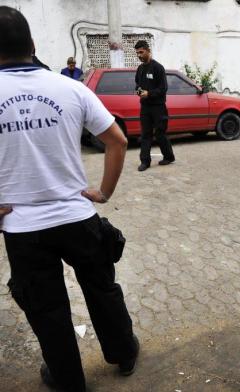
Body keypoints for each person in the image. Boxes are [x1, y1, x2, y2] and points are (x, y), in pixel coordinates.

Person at [0, 6, 139, 392]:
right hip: (78, 216)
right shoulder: (71, 87)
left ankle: (68, 379)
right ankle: (124, 353)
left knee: (47, 309)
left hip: (22, 227)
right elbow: (118, 140)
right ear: (32, 45)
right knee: (102, 288)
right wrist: (104, 192)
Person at [134, 40, 175, 172]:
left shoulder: (157, 67)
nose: (139, 55)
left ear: (148, 51)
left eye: (141, 52)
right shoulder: (140, 69)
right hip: (145, 107)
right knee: (145, 134)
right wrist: (138, 91)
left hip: (158, 107)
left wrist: (149, 93)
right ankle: (145, 161)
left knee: (160, 133)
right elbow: (137, 84)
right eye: (137, 53)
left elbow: (163, 88)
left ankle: (168, 156)